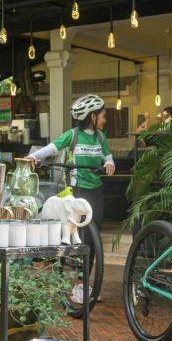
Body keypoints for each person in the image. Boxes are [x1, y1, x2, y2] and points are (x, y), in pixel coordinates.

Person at [27, 95, 116, 298]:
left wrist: (110, 163)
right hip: (78, 191)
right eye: (102, 116)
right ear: (92, 117)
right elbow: (53, 147)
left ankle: (83, 284)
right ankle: (76, 283)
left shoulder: (101, 137)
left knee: (93, 240)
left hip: (96, 190)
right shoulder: (73, 135)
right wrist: (34, 156)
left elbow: (107, 156)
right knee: (79, 237)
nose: (105, 119)